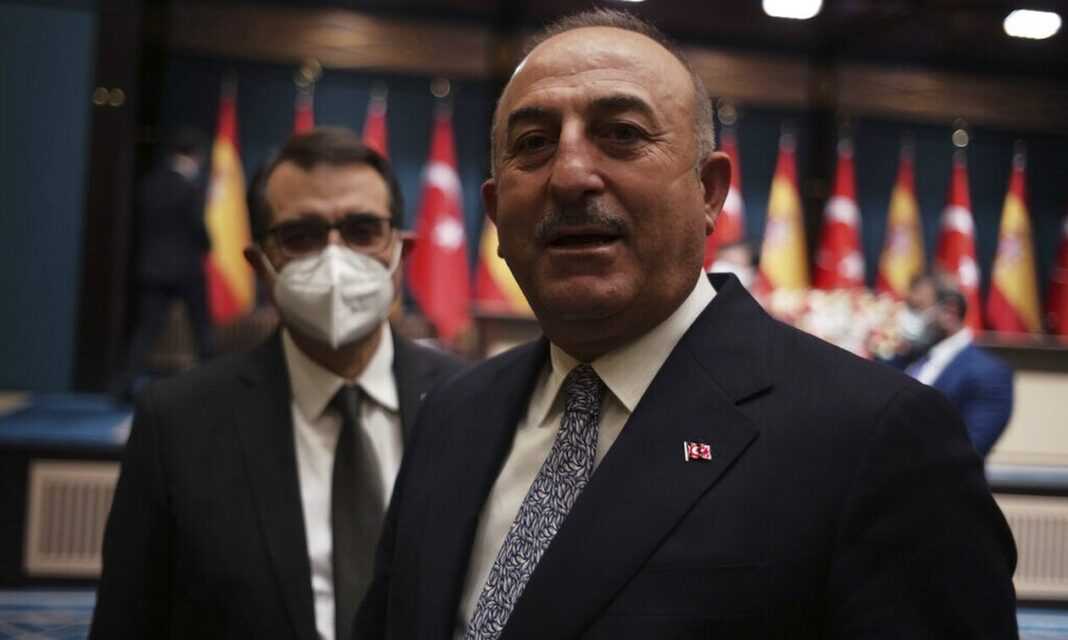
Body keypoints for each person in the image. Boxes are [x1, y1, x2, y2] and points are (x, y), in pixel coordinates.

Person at [357, 10, 1017, 639]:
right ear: (497, 213)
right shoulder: (453, 412)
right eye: (533, 143)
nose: (570, 175)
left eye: (622, 134)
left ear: (710, 192)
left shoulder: (877, 439)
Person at [91, 128, 464, 640]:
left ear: (402, 252)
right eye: (301, 236)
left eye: (362, 231)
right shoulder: (176, 422)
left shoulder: (470, 405)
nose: (335, 259)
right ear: (261, 266)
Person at [120, 127, 212, 391]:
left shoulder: (150, 184)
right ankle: (214, 387)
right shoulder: (191, 189)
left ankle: (124, 385)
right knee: (202, 331)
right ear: (195, 156)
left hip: (153, 268)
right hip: (187, 269)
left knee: (146, 331)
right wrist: (208, 245)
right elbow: (198, 228)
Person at [906, 282, 1014, 457]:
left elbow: (971, 448)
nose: (912, 317)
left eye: (919, 308)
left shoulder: (989, 371)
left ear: (950, 311)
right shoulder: (916, 358)